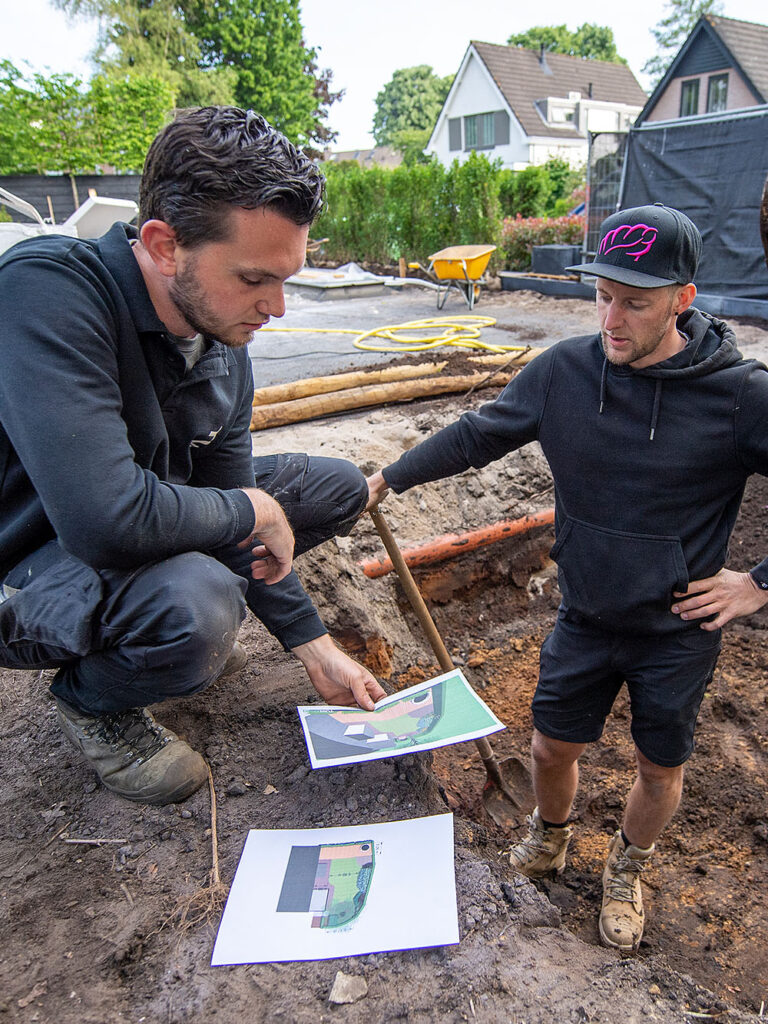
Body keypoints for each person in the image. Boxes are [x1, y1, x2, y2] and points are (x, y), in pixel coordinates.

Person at [366, 203, 768, 952]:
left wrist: (758, 583)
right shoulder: (564, 372)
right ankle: (551, 836)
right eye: (603, 296)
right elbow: (482, 432)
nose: (611, 319)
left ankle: (627, 866)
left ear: (682, 298)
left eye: (635, 303)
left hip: (677, 631)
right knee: (551, 750)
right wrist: (390, 477)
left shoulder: (740, 396)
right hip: (583, 615)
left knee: (658, 768)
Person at [0, 106, 385, 807]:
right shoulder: (48, 291)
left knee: (332, 487)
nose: (277, 307)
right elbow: (102, 519)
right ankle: (94, 702)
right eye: (252, 279)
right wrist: (252, 510)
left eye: (286, 279)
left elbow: (236, 519)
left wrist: (315, 647)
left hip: (133, 514)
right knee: (200, 607)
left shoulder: (220, 345)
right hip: (26, 558)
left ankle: (165, 621)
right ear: (164, 244)